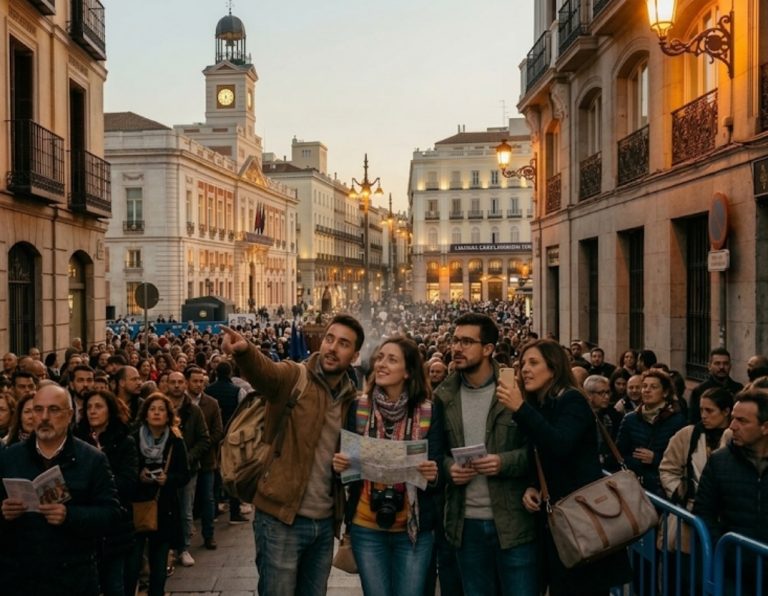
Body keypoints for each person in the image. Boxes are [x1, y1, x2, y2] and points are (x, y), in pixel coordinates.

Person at [220, 313, 364, 596]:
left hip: (324, 525)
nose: (333, 348)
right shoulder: (295, 377)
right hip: (279, 517)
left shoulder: (352, 400)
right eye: (330, 339)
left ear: (355, 355)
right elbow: (266, 373)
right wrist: (246, 352)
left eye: (343, 344)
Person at [497, 338, 631, 596]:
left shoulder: (572, 400)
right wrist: (533, 486)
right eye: (523, 363)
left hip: (584, 520)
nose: (525, 369)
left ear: (554, 367)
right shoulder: (540, 404)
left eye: (534, 362)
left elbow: (560, 444)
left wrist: (521, 408)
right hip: (556, 523)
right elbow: (541, 453)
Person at [434, 312, 536, 596]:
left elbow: (538, 451)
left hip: (513, 524)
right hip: (465, 526)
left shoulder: (516, 390)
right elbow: (433, 454)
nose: (457, 348)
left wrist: (503, 462)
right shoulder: (443, 395)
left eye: (467, 341)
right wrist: (448, 468)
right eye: (455, 340)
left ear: (488, 349)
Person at [333, 336, 443, 596]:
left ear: (407, 371)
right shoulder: (358, 408)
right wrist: (341, 465)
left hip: (413, 527)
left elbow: (438, 466)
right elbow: (347, 471)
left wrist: (434, 473)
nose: (381, 364)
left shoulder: (429, 411)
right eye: (380, 357)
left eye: (391, 359)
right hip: (366, 525)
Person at [0, 384, 121, 595]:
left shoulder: (92, 460)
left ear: (69, 415)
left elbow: (111, 515)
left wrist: (70, 515)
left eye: (54, 410)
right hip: (20, 578)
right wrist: (4, 512)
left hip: (73, 578)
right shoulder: (10, 457)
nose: (44, 417)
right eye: (38, 409)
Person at [693, 388, 768, 592]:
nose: (733, 426)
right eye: (733, 418)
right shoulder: (719, 461)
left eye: (743, 421)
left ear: (765, 427)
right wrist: (723, 553)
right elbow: (703, 514)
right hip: (732, 573)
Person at [125, 393, 190, 596]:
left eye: (161, 409)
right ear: (145, 414)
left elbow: (184, 474)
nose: (156, 413)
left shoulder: (175, 441)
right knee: (132, 564)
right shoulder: (133, 439)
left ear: (168, 415)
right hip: (137, 506)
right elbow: (125, 470)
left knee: (159, 565)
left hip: (164, 507)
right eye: (152, 409)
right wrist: (138, 476)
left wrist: (167, 479)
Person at [75, 390, 139, 596]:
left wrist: (98, 482)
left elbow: (128, 482)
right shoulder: (76, 440)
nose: (93, 411)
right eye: (89, 407)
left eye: (98, 406)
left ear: (109, 410)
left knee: (115, 585)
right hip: (85, 525)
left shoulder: (123, 441)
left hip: (115, 525)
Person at [165, 370, 210, 567]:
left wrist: (187, 458)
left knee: (185, 510)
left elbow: (204, 438)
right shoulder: (161, 406)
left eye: (179, 382)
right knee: (166, 510)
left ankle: (183, 548)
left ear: (185, 385)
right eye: (172, 382)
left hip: (188, 469)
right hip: (163, 471)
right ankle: (167, 549)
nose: (176, 385)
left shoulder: (194, 410)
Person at [616, 370, 686, 496]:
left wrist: (655, 458)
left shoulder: (677, 421)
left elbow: (681, 460)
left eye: (653, 387)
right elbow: (619, 454)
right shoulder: (630, 419)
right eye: (644, 386)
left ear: (665, 392)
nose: (647, 390)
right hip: (633, 485)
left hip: (661, 488)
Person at [185, 366, 224, 550]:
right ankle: (182, 540)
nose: (199, 385)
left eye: (201, 381)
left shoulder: (212, 403)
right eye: (195, 381)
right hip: (186, 461)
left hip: (207, 460)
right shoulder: (181, 404)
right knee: (186, 501)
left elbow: (218, 431)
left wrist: (204, 446)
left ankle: (209, 535)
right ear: (188, 382)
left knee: (207, 498)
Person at [688, 348, 743, 424]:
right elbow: (694, 419)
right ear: (709, 366)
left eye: (725, 363)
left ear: (730, 366)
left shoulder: (738, 389)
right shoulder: (699, 390)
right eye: (717, 363)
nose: (721, 367)